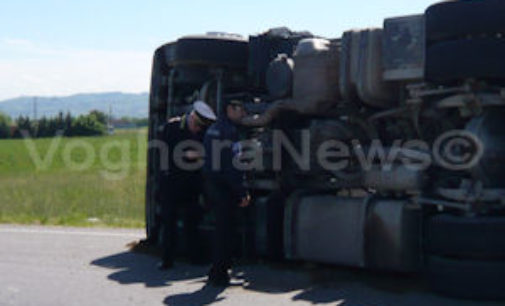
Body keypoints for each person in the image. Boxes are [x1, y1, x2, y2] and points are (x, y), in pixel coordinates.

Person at [158, 101, 217, 270]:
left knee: (192, 221)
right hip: (171, 182)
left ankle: (194, 256)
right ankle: (167, 259)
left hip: (191, 183)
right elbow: (168, 153)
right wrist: (189, 155)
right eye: (197, 126)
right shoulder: (172, 127)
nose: (198, 130)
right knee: (169, 221)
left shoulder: (204, 131)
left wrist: (199, 157)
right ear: (192, 118)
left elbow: (206, 153)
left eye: (201, 127)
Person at [203, 100, 251, 286]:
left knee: (220, 229)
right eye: (241, 109)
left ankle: (218, 269)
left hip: (212, 184)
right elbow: (233, 165)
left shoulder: (213, 128)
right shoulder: (230, 132)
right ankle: (219, 274)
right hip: (225, 188)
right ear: (230, 109)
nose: (244, 113)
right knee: (225, 232)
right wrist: (242, 192)